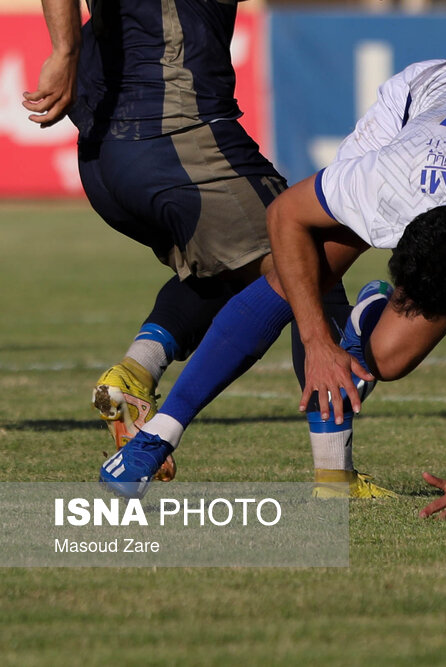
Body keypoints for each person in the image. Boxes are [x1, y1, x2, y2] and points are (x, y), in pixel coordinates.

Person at [98, 57, 446, 518]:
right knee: (304, 274)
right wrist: (316, 342)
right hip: (430, 97)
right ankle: (159, 436)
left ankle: (356, 361)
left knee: (392, 358)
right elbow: (285, 213)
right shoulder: (395, 179)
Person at [24, 0, 390, 497]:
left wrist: (66, 50)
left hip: (105, 156)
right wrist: (66, 48)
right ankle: (334, 476)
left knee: (233, 269)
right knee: (306, 256)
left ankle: (137, 370)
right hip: (179, 138)